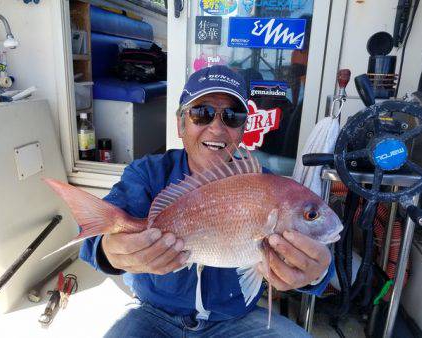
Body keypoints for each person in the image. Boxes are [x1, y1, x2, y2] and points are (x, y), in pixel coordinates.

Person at [80, 65, 333, 337]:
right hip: (154, 315)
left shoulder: (267, 186)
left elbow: (316, 270)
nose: (216, 128)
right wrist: (109, 249)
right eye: (202, 113)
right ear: (181, 123)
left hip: (235, 320)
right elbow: (96, 239)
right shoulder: (148, 173)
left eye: (232, 116)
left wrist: (315, 273)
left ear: (243, 129)